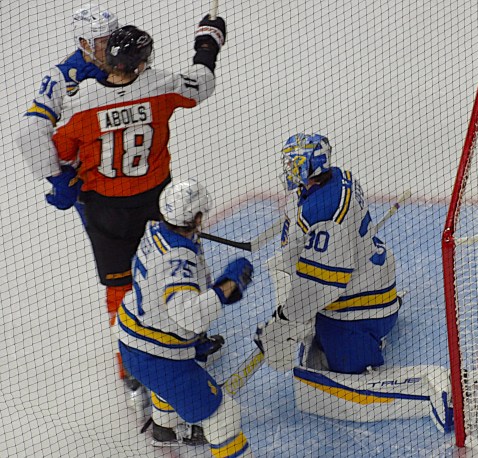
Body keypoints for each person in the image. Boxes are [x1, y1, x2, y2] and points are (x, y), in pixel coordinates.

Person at [47, 17, 227, 400]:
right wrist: (207, 42)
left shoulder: (83, 104)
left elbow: (59, 153)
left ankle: (129, 363)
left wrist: (64, 181)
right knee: (178, 264)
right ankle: (189, 337)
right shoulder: (160, 86)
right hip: (156, 201)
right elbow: (202, 85)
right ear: (142, 62)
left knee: (119, 286)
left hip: (105, 209)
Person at [117, 179, 254, 454]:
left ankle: (165, 427)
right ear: (195, 217)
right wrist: (228, 286)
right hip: (156, 354)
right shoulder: (178, 257)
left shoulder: (154, 231)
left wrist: (193, 340)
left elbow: (160, 295)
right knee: (223, 416)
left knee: (167, 383)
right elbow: (189, 315)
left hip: (134, 336)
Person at [254, 134, 401, 374]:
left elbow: (321, 285)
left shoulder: (325, 213)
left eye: (294, 164)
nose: (289, 170)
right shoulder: (340, 177)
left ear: (311, 166)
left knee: (341, 367)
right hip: (373, 276)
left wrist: (285, 321)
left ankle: (370, 342)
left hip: (360, 309)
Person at [16, 4, 120, 224]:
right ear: (84, 43)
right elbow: (30, 130)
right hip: (92, 177)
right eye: (104, 41)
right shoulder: (62, 77)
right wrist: (58, 177)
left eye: (114, 37)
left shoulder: (127, 58)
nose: (113, 47)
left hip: (134, 165)